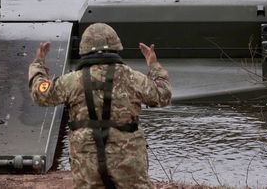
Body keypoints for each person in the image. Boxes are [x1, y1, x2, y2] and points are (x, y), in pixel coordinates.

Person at [30, 23, 172, 189]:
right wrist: (153, 66)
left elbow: (40, 95)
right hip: (128, 165)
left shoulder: (71, 81)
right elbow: (163, 95)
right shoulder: (132, 78)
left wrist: (38, 64)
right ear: (115, 47)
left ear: (84, 49)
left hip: (87, 166)